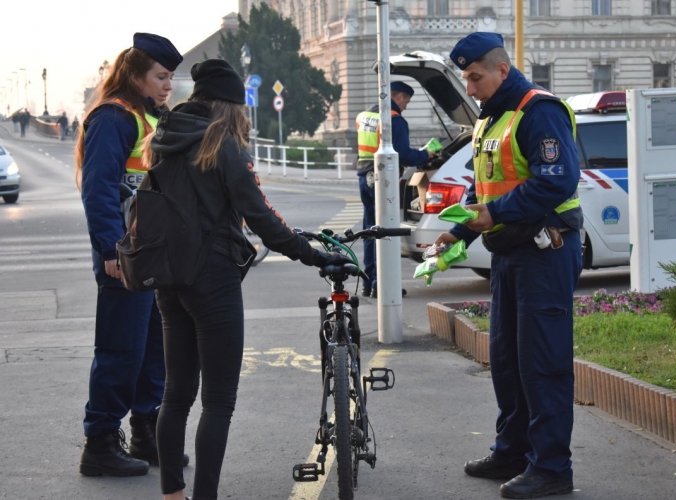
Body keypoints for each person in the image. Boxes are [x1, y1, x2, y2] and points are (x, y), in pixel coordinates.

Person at [144, 59, 350, 500]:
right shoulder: (223, 145)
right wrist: (315, 255)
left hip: (168, 277)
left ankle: (172, 495)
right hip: (212, 279)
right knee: (218, 402)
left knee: (175, 394)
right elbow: (264, 219)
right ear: (231, 106)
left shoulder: (163, 138)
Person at [434, 32, 583, 499]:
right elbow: (483, 186)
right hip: (510, 253)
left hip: (545, 251)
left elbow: (557, 181)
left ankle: (552, 468)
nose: (470, 88)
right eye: (465, 78)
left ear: (502, 69)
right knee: (507, 361)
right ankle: (513, 452)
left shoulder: (539, 111)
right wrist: (459, 231)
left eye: (475, 77)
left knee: (543, 363)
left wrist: (495, 213)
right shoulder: (491, 118)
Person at [74, 32, 187, 478]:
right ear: (136, 75)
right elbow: (98, 190)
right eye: (161, 76)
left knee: (153, 351)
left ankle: (146, 434)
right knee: (121, 350)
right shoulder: (114, 118)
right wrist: (109, 250)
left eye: (171, 77)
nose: (168, 85)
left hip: (153, 253)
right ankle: (100, 443)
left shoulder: (152, 117)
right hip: (125, 253)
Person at [355, 80, 434, 298]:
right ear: (399, 97)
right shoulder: (394, 120)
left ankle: (369, 282)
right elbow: (403, 155)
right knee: (385, 231)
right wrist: (425, 155)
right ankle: (382, 285)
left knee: (369, 230)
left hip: (364, 177)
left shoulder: (365, 116)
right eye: (406, 101)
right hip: (382, 180)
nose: (406, 106)